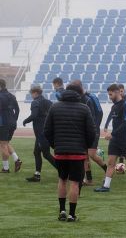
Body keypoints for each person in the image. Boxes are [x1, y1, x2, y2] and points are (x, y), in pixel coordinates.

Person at [44, 84, 97, 222]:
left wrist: (55, 145)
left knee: (62, 180)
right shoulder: (84, 108)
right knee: (74, 183)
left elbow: (47, 130)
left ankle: (62, 210)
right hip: (78, 152)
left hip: (60, 151)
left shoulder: (55, 107)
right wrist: (85, 146)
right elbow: (92, 132)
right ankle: (72, 215)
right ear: (79, 94)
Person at [95, 84, 126, 193]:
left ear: (117, 92)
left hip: (125, 139)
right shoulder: (114, 106)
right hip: (115, 140)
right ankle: (106, 186)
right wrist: (107, 127)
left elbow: (125, 122)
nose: (109, 97)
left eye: (110, 94)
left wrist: (112, 134)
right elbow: (113, 119)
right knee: (111, 163)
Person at [70, 80, 107, 186]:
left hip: (92, 131)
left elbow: (99, 112)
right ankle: (89, 179)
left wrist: (94, 128)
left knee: (92, 154)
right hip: (82, 131)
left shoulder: (91, 97)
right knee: (84, 156)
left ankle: (108, 170)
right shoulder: (76, 99)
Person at [23, 85, 57, 182]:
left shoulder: (35, 102)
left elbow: (34, 115)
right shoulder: (49, 102)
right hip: (48, 131)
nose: (31, 95)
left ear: (35, 93)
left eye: (32, 93)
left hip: (41, 133)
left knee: (46, 154)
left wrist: (25, 121)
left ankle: (63, 171)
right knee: (36, 152)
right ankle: (37, 175)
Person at [0, 79, 22, 173]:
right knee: (6, 143)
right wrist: (14, 120)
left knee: (3, 145)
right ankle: (17, 160)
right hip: (12, 123)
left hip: (3, 123)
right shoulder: (12, 96)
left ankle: (6, 168)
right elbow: (17, 110)